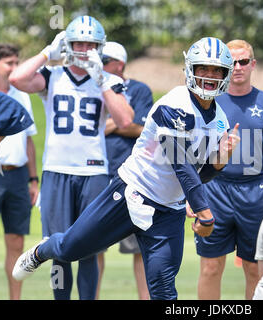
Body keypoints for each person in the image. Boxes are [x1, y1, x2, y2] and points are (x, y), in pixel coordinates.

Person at [12, 37, 241, 300]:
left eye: (216, 70)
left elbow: (200, 173)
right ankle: (42, 251)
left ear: (226, 74)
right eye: (203, 68)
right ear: (191, 69)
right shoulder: (176, 103)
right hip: (131, 194)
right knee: (70, 249)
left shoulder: (220, 120)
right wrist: (204, 211)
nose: (209, 76)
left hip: (168, 210)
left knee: (164, 291)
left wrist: (218, 162)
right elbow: (180, 163)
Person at [9, 16, 134, 300]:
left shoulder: (109, 80)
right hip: (57, 170)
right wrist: (45, 54)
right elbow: (16, 78)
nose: (84, 48)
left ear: (99, 47)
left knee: (88, 246)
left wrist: (100, 77)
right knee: (58, 247)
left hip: (93, 172)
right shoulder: (53, 76)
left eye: (90, 44)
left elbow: (125, 119)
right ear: (68, 44)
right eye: (79, 42)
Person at [188, 39, 263, 300]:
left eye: (243, 61)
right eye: (232, 62)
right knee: (210, 267)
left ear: (253, 64)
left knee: (255, 269)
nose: (238, 67)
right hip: (214, 190)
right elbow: (190, 153)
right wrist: (190, 195)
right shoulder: (207, 100)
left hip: (255, 192)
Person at [96, 41, 153, 300]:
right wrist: (117, 122)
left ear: (119, 64)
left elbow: (141, 128)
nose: (100, 64)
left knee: (139, 246)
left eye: (105, 60)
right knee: (93, 244)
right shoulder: (92, 85)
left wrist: (110, 124)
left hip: (132, 176)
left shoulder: (139, 90)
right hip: (98, 173)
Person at [0, 44, 39, 300]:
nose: (13, 68)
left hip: (18, 175)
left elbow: (29, 139)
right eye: (8, 63)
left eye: (16, 63)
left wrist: (33, 179)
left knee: (17, 242)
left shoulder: (21, 94)